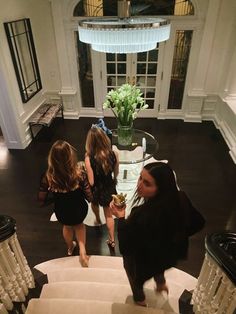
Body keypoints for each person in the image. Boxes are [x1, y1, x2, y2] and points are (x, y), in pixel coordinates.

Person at [110, 162, 188, 307]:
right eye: (140, 178)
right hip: (162, 254)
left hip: (139, 258)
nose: (139, 185)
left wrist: (120, 217)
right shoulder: (178, 200)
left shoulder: (143, 216)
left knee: (134, 278)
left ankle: (140, 300)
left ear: (161, 188)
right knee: (158, 266)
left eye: (147, 183)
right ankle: (160, 284)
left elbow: (126, 247)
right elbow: (197, 222)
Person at [38, 140, 92, 267]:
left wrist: (54, 197)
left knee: (67, 227)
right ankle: (83, 250)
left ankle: (70, 247)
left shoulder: (48, 177)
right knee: (79, 226)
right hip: (79, 208)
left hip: (62, 210)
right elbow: (89, 195)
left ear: (52, 158)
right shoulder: (79, 174)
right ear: (70, 156)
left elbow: (41, 201)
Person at [85, 126, 119, 248]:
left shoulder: (89, 158)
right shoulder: (114, 154)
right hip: (109, 187)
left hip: (96, 190)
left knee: (94, 204)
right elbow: (116, 173)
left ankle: (98, 219)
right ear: (105, 139)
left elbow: (91, 181)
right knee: (109, 216)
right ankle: (112, 240)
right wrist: (113, 180)